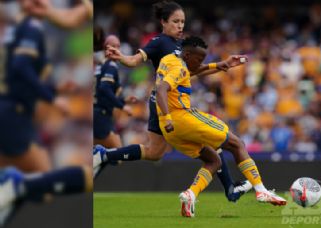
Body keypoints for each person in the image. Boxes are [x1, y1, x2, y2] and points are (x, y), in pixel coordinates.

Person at [103, 0, 252, 201]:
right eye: (175, 21)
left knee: (155, 152)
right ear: (163, 22)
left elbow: (193, 71)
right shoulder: (159, 42)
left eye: (182, 21)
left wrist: (222, 65)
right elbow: (133, 61)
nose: (180, 25)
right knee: (210, 144)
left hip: (170, 103)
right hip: (164, 103)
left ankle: (104, 155)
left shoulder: (181, 45)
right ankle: (229, 190)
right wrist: (120, 57)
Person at [154, 36, 286, 217]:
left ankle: (190, 194)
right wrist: (169, 116)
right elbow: (162, 89)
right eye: (199, 59)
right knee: (236, 143)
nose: (201, 62)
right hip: (181, 118)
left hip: (169, 129)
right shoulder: (179, 67)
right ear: (186, 55)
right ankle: (261, 190)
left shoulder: (169, 60)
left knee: (214, 160)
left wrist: (219, 65)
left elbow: (188, 72)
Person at [0, 0, 92, 227]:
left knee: (36, 187)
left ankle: (12, 188)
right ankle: (15, 186)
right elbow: (21, 68)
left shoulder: (14, 31)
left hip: (10, 111)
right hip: (12, 115)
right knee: (44, 186)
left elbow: (17, 78)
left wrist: (53, 89)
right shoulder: (31, 27)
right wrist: (53, 98)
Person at [94, 35, 137, 148]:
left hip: (98, 113)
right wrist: (122, 106)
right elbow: (104, 88)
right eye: (113, 46)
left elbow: (102, 94)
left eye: (118, 46)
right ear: (106, 48)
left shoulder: (100, 65)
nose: (116, 49)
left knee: (100, 152)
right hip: (101, 115)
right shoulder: (111, 66)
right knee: (116, 153)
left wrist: (123, 100)